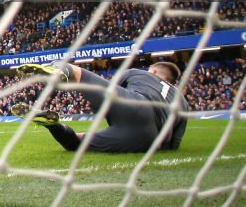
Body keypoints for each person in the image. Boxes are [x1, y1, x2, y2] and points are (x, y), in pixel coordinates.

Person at [16, 61, 187, 153]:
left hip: (134, 104)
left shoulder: (139, 73)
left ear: (155, 72)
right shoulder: (182, 102)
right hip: (148, 138)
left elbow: (110, 94)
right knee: (77, 143)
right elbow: (174, 144)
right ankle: (52, 123)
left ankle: (58, 72)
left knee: (75, 71)